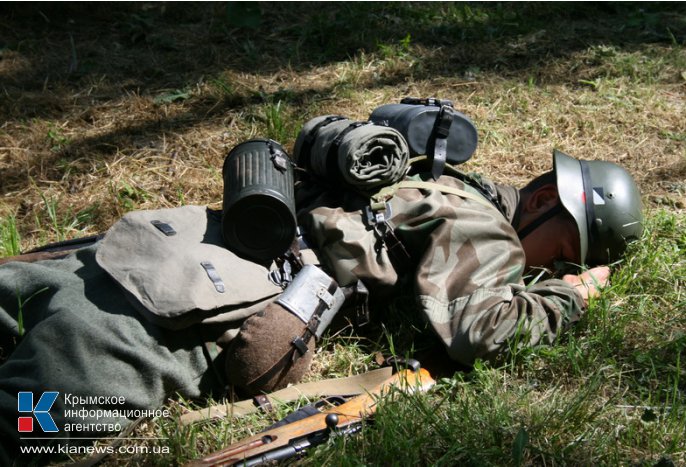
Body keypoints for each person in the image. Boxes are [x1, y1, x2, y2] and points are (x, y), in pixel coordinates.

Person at [0, 148, 643, 464]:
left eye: (564, 269)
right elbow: (477, 327)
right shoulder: (487, 229)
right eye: (560, 254)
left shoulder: (432, 176)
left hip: (150, 247)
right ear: (535, 205)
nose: (550, 270)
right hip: (158, 320)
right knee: (30, 433)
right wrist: (568, 297)